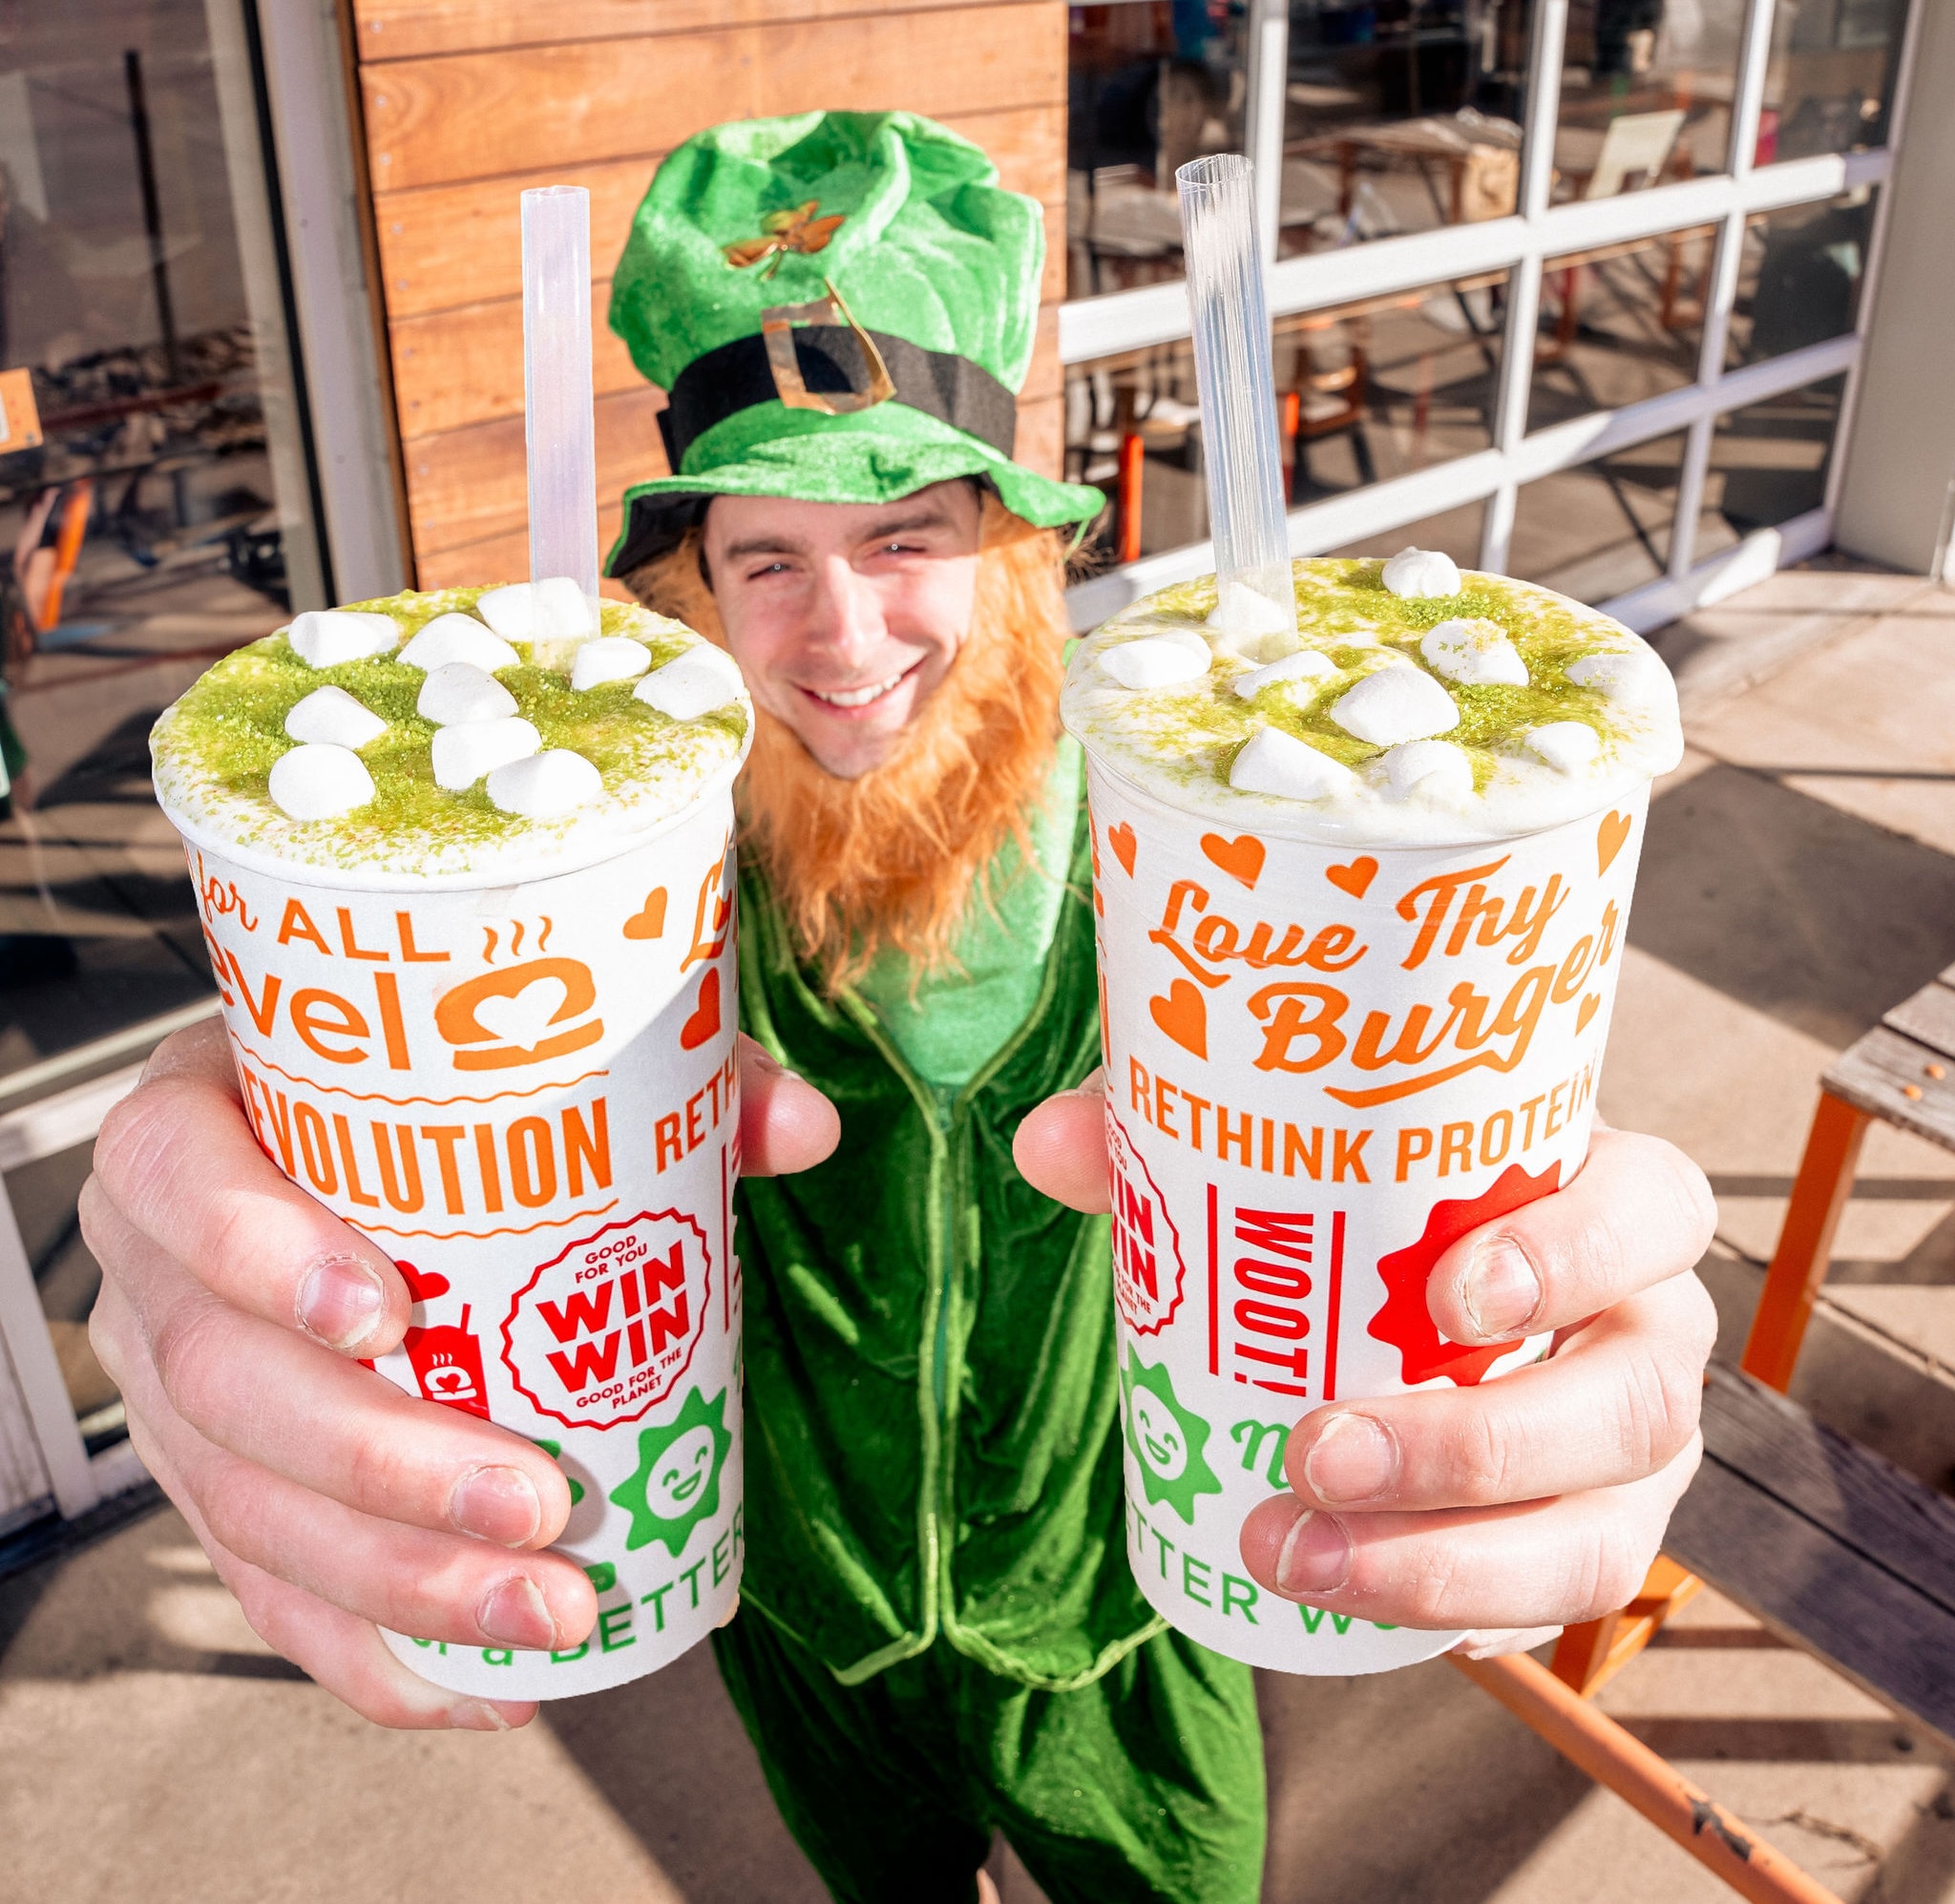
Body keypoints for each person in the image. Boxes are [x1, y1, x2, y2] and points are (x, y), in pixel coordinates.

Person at [84, 112, 1716, 1904]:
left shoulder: (1191, 839)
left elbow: (1390, 1080)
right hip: (803, 1608)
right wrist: (282, 1141)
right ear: (691, 591)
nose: (840, 634)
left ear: (1014, 553)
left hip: (1119, 1608)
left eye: (904, 539)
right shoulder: (630, 881)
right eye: (763, 559)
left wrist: (1526, 1236)